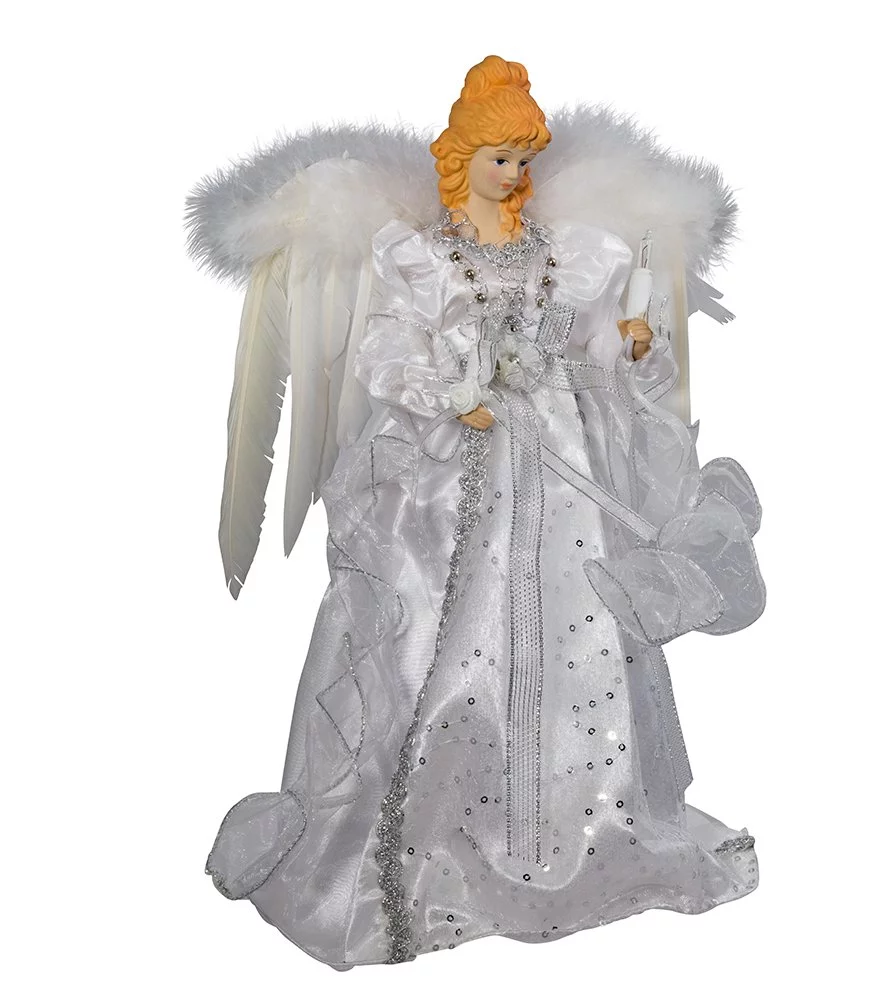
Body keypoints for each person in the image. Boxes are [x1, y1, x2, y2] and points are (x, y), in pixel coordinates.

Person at [191, 54, 765, 970]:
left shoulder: (562, 250)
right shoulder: (423, 255)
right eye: (502, 157)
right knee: (446, 634)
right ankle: (430, 835)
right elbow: (387, 353)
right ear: (462, 158)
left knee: (573, 636)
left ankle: (576, 825)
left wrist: (631, 341)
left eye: (524, 158)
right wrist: (453, 392)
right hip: (455, 473)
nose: (517, 173)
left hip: (556, 468)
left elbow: (587, 347)